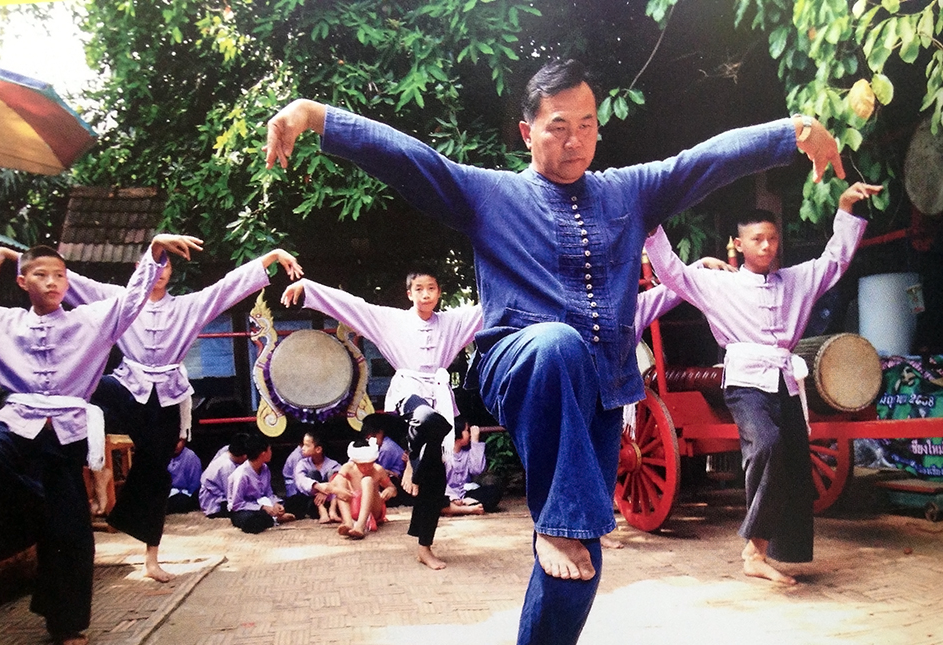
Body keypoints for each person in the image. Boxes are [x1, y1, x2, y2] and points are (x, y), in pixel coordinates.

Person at [263, 58, 844, 644]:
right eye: (559, 127)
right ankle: (557, 523)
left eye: (588, 125)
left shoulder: (628, 192)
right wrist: (318, 118)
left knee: (581, 564)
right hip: (519, 365)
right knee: (557, 347)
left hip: (599, 393)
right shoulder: (490, 194)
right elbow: (412, 160)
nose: (576, 141)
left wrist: (790, 131)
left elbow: (702, 162)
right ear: (527, 132)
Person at [0, 244, 302, 580]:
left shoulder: (187, 306)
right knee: (80, 389)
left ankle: (151, 557)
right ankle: (82, 480)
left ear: (172, 272)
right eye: (155, 263)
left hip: (164, 398)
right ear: (142, 267)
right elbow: (59, 277)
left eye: (167, 266)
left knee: (154, 472)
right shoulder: (114, 296)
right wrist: (9, 254)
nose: (161, 270)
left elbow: (226, 288)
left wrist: (272, 257)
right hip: (125, 387)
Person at [643, 181, 881, 585]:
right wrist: (650, 226)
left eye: (772, 239)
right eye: (757, 240)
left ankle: (771, 550)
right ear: (739, 243)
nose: (767, 247)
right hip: (744, 380)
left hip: (785, 380)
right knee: (766, 445)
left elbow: (835, 261)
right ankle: (752, 551)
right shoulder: (720, 285)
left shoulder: (798, 280)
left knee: (791, 461)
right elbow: (672, 272)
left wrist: (844, 209)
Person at [0, 234, 199, 645]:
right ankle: (33, 525)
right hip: (19, 428)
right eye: (40, 275)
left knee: (74, 535)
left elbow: (131, 300)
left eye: (59, 275)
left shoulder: (90, 320)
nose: (52, 282)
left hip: (66, 437)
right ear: (23, 282)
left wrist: (154, 252)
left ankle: (66, 625)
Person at [281, 270, 482, 569]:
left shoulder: (452, 323)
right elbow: (354, 306)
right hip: (408, 396)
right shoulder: (392, 320)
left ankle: (424, 547)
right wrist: (308, 287)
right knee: (428, 420)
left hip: (438, 398)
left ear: (439, 292)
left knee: (435, 477)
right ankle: (411, 463)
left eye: (431, 288)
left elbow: (487, 307)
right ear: (409, 293)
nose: (425, 294)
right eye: (419, 288)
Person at [331, 435, 397, 539]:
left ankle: (360, 526)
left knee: (367, 480)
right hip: (353, 505)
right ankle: (348, 522)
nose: (366, 467)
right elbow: (333, 484)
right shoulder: (348, 468)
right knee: (340, 481)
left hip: (374, 508)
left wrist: (390, 490)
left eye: (369, 463)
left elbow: (393, 489)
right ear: (355, 462)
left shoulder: (378, 470)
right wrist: (338, 490)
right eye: (362, 464)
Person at [227, 433, 296, 533]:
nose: (271, 452)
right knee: (252, 522)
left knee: (294, 503)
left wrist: (275, 504)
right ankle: (274, 519)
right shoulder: (242, 475)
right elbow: (237, 504)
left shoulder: (265, 468)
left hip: (262, 502)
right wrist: (263, 508)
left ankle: (274, 517)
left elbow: (268, 493)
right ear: (263, 453)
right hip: (244, 509)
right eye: (269, 450)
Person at [443, 415, 499, 514]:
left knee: (494, 491)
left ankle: (459, 507)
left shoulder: (467, 452)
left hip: (465, 495)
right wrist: (453, 497)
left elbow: (477, 470)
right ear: (457, 434)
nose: (469, 434)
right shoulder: (443, 455)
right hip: (446, 493)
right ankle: (469, 509)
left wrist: (475, 442)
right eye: (467, 430)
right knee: (434, 498)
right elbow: (439, 482)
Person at [282, 430, 342, 523]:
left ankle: (332, 510)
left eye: (307, 445)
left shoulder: (333, 464)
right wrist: (318, 487)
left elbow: (342, 479)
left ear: (318, 449)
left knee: (335, 475)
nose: (303, 448)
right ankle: (322, 511)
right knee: (312, 474)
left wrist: (326, 492)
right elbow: (300, 479)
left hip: (332, 500)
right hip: (314, 503)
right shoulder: (302, 464)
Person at [362, 414, 411, 506]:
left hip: (396, 480)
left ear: (380, 433)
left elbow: (379, 471)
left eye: (373, 436)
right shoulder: (382, 445)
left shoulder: (387, 448)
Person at [199, 432, 249, 518]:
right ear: (244, 456)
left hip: (218, 494)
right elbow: (232, 496)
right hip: (214, 503)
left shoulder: (225, 451)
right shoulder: (227, 468)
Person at [166, 438, 202, 514]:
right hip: (166, 493)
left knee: (181, 501)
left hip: (184, 494)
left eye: (179, 441)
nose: (176, 445)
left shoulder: (191, 456)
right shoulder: (163, 453)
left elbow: (195, 484)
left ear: (184, 441)